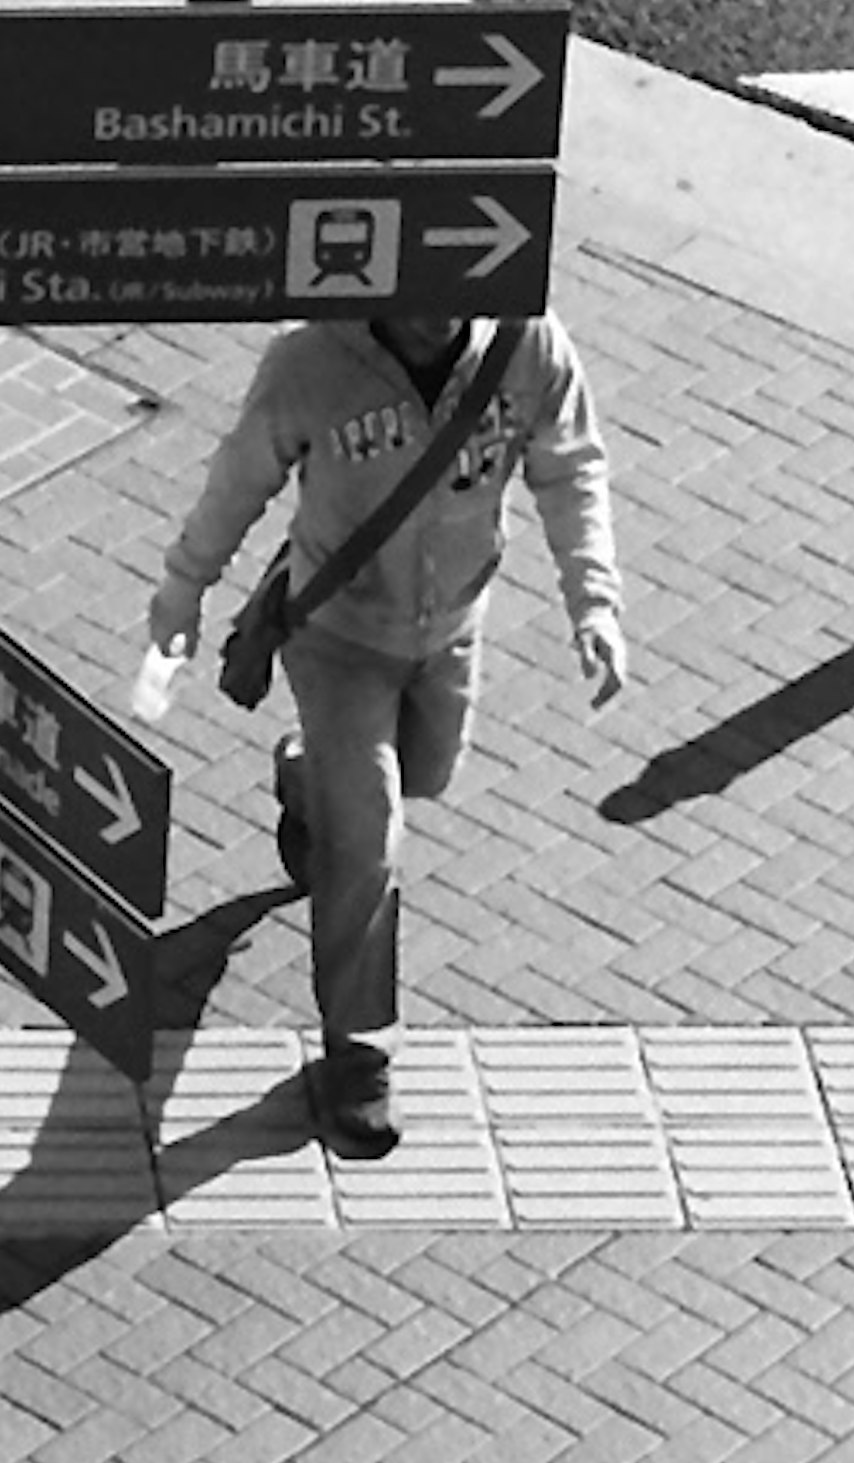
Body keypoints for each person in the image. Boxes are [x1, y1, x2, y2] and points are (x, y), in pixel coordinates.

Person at [139, 303, 628, 1162]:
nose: (437, 317)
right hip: (336, 637)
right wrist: (183, 592)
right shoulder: (309, 363)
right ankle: (359, 1054)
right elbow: (238, 481)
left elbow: (571, 468)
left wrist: (595, 604)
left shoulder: (529, 343)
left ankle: (304, 780)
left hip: (449, 631)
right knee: (371, 837)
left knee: (425, 776)